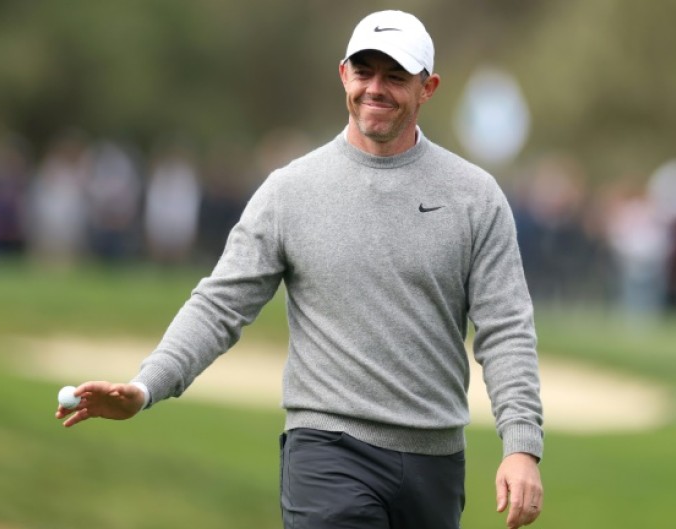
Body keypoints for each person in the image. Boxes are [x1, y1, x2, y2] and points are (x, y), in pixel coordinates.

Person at [56, 10, 544, 529]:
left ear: (429, 87)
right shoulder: (291, 191)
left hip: (435, 461)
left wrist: (521, 446)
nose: (375, 89)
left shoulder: (475, 197)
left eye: (395, 77)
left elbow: (506, 329)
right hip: (327, 450)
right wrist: (147, 386)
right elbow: (219, 305)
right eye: (364, 73)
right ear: (343, 76)